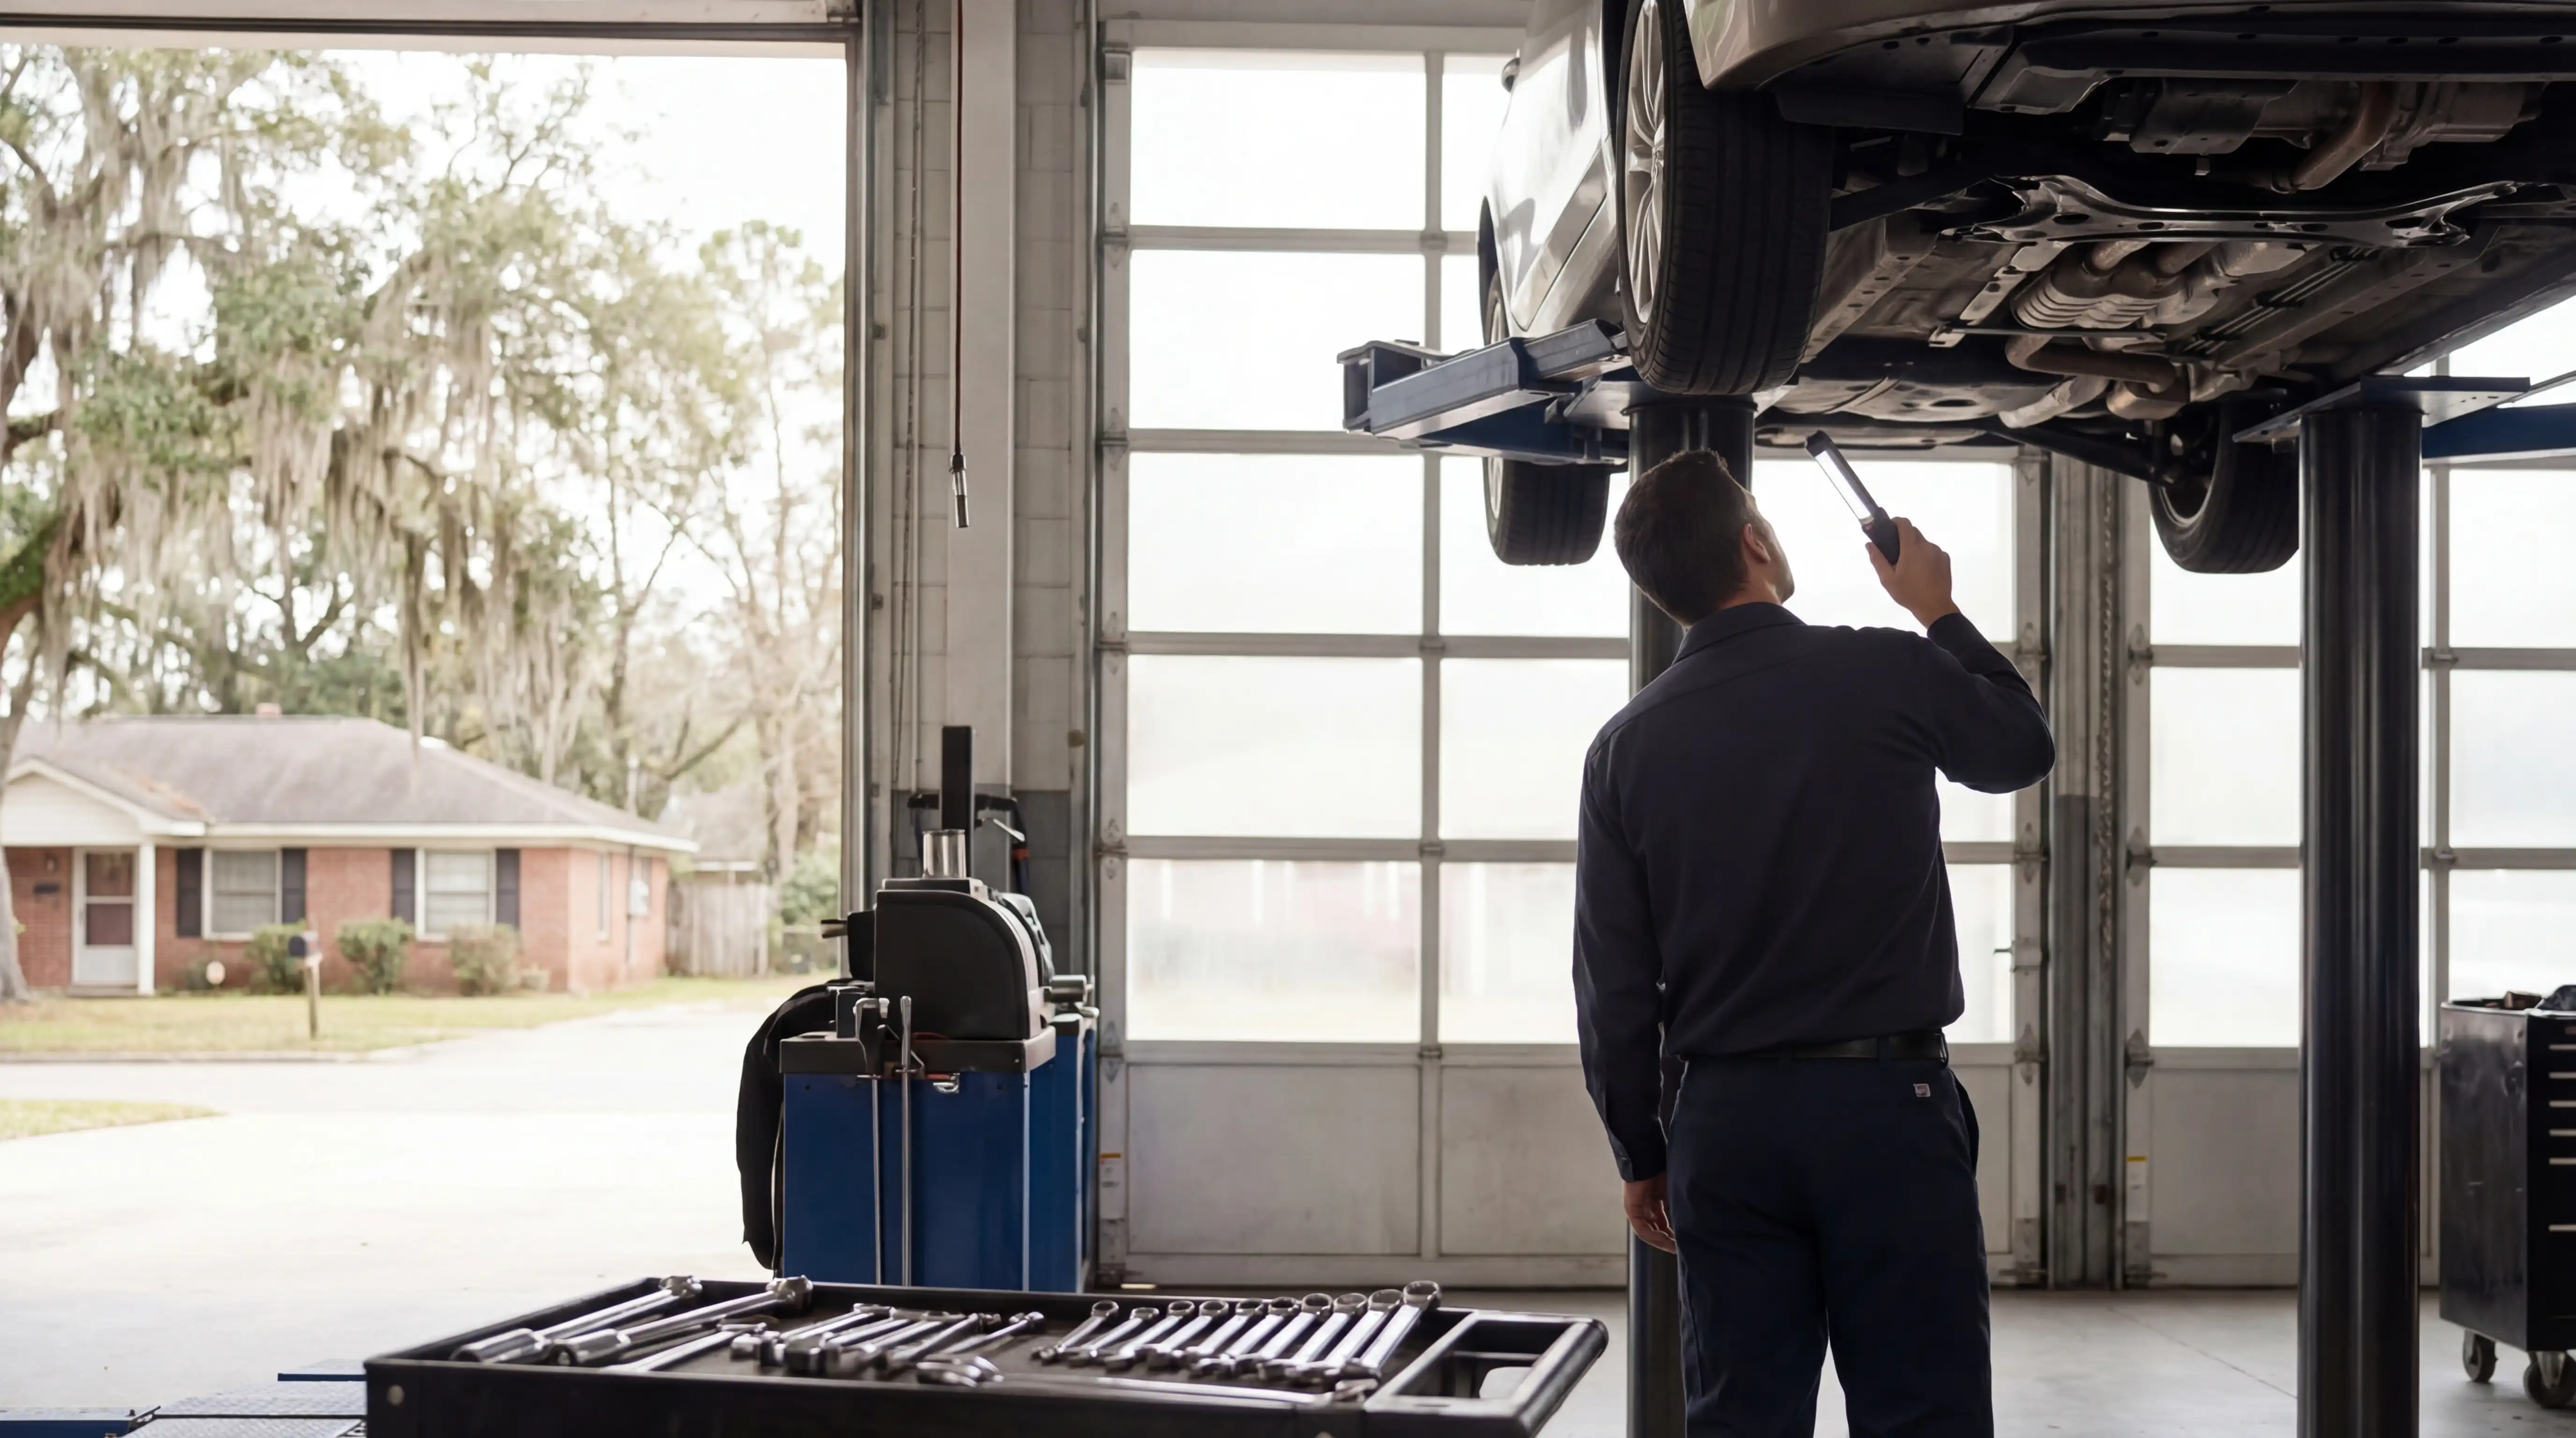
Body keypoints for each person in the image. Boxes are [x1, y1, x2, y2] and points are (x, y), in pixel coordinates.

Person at [1573, 448, 2054, 1438]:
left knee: (1740, 1416)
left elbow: (1612, 981)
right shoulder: (1884, 668)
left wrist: (1640, 1149)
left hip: (1726, 1125)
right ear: (1754, 542)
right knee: (1923, 1410)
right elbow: (2018, 750)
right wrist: (1938, 609)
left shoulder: (1625, 747)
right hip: (1887, 1108)